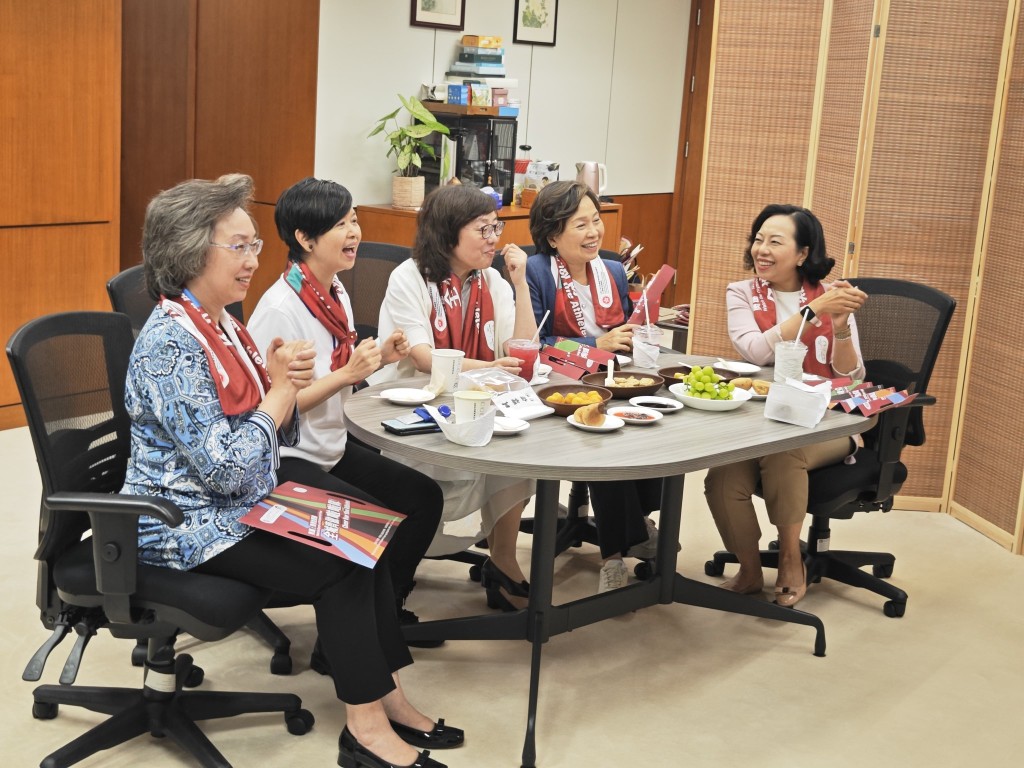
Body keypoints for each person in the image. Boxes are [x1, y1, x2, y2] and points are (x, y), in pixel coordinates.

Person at [122, 173, 461, 768]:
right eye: (241, 246)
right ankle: (367, 729)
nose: (256, 259)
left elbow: (247, 437)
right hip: (186, 522)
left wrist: (275, 382)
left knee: (371, 532)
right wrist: (280, 391)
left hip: (243, 493)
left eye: (256, 244)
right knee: (343, 560)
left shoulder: (220, 320)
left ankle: (386, 695)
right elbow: (226, 470)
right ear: (190, 250)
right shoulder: (170, 345)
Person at [247, 177, 445, 651]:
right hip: (285, 459)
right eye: (341, 224)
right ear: (305, 239)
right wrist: (346, 373)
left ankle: (383, 614)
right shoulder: (280, 309)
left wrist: (386, 360)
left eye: (354, 219)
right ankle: (343, 647)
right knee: (370, 524)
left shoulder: (334, 291)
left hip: (330, 446)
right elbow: (273, 407)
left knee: (422, 498)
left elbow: (345, 377)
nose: (355, 232)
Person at [373, 184, 537, 611]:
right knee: (425, 488)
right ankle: (396, 578)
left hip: (475, 400)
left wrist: (521, 287)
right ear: (448, 235)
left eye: (495, 228)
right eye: (482, 229)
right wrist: (491, 368)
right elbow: (424, 357)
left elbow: (520, 348)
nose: (493, 239)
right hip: (415, 404)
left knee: (519, 451)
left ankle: (503, 564)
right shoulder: (409, 277)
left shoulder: (492, 280)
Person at [704, 203, 868, 608]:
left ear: (802, 254)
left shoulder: (832, 296)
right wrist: (813, 314)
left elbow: (853, 375)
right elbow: (756, 351)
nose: (761, 249)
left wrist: (842, 325)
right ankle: (749, 569)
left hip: (828, 423)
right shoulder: (740, 292)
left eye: (775, 241)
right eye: (758, 239)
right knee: (722, 478)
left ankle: (791, 559)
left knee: (783, 455)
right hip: (764, 419)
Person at [526, 180, 668, 592]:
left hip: (613, 379)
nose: (594, 233)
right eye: (580, 225)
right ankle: (614, 553)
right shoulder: (537, 271)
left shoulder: (613, 270)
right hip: (558, 386)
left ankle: (638, 520)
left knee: (653, 417)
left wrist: (643, 328)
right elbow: (533, 343)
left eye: (596, 221)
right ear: (553, 235)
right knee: (603, 438)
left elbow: (624, 331)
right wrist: (594, 344)